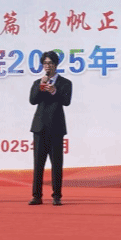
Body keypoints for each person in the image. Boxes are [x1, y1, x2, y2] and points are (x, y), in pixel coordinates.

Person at [28, 51, 72, 206]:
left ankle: (57, 196)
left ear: (56, 65)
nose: (48, 66)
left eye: (50, 63)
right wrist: (41, 86)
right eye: (45, 63)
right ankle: (36, 196)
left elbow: (66, 101)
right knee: (38, 164)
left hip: (56, 127)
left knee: (57, 164)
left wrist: (54, 91)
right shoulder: (38, 82)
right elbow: (33, 100)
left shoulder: (65, 83)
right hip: (40, 127)